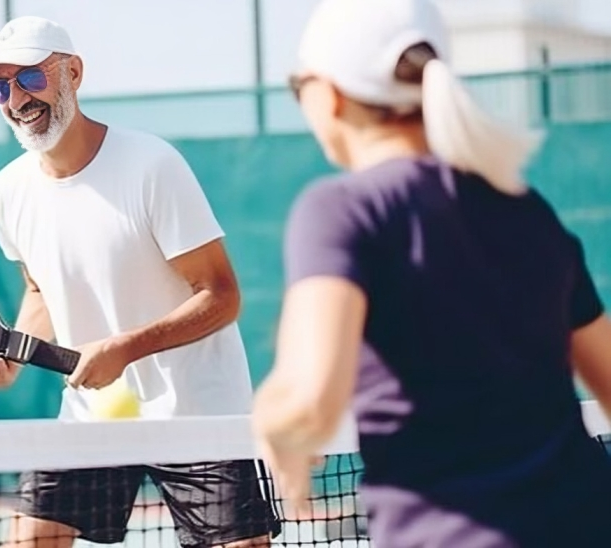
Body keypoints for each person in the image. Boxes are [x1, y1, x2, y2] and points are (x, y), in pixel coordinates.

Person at [250, 0, 611, 546]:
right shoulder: (527, 208)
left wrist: (272, 420)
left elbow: (311, 402)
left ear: (328, 94)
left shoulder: (340, 210)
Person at [0, 15, 280, 548]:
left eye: (31, 78)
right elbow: (42, 288)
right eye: (1, 86)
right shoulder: (6, 192)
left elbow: (221, 296)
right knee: (29, 541)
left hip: (200, 414)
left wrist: (125, 349)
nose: (17, 98)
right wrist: (11, 362)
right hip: (93, 418)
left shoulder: (152, 165)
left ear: (73, 73)